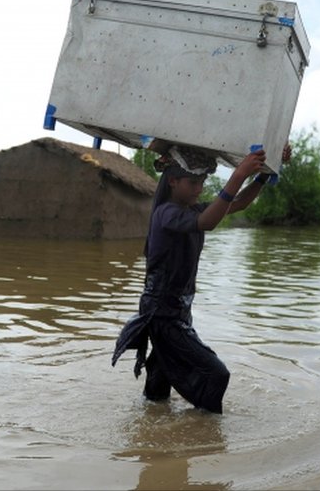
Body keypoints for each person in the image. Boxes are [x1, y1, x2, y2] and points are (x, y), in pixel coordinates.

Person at [111, 144, 290, 414]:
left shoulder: (190, 210)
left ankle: (151, 434)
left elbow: (238, 203)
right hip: (162, 315)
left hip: (175, 312)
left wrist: (263, 174)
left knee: (158, 389)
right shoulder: (166, 214)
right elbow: (208, 221)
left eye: (202, 182)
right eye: (193, 182)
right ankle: (202, 438)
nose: (199, 188)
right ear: (173, 181)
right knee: (216, 375)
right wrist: (239, 174)